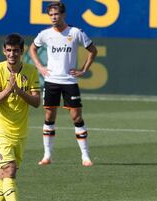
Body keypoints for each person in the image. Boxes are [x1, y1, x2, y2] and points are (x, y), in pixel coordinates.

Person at [29, 2, 97, 167]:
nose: (53, 17)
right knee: (49, 116)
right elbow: (32, 48)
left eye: (56, 14)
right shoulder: (45, 34)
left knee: (76, 117)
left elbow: (93, 50)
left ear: (63, 15)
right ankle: (47, 155)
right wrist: (40, 67)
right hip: (51, 81)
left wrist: (83, 70)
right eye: (51, 15)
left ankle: (85, 156)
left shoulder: (75, 32)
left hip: (69, 81)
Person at [0, 33, 40, 201]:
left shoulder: (31, 71)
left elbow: (36, 102)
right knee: (9, 170)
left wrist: (19, 90)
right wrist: (9, 89)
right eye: (9, 50)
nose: (12, 54)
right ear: (4, 51)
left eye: (16, 51)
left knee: (5, 175)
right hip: (1, 131)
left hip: (20, 133)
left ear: (22, 51)